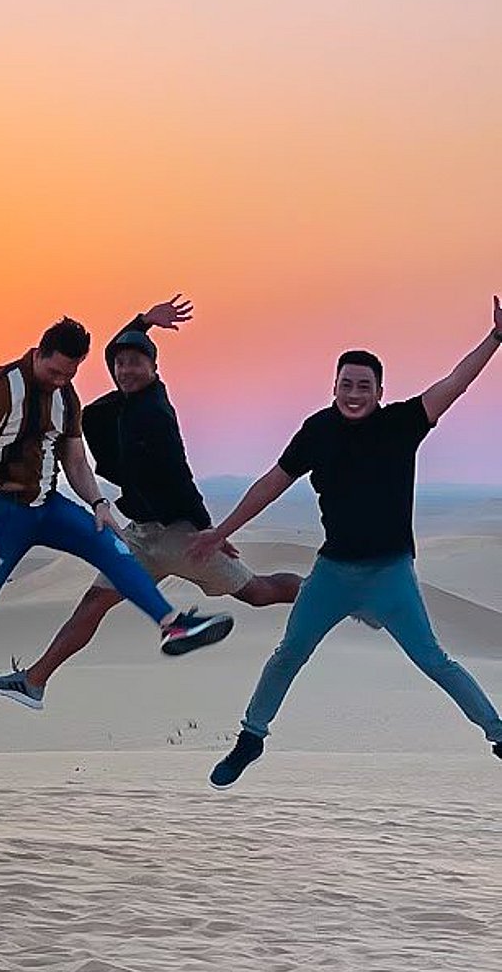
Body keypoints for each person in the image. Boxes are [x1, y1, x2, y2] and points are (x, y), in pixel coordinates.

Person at [206, 300, 502, 787]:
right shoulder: (318, 430)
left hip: (390, 573)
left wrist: (495, 338)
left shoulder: (401, 423)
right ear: (334, 387)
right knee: (288, 653)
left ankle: (498, 734)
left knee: (434, 660)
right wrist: (221, 532)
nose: (354, 394)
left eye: (365, 386)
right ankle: (251, 738)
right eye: (346, 384)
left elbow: (455, 383)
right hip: (334, 574)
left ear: (380, 392)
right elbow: (272, 483)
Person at [0, 298, 301, 708]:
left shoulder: (154, 414)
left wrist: (211, 531)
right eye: (120, 364)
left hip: (180, 536)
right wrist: (143, 321)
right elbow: (113, 350)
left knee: (257, 591)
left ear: (154, 368)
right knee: (94, 602)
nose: (125, 370)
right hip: (141, 534)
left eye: (136, 363)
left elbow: (179, 476)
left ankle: (328, 595)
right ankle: (34, 682)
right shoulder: (127, 399)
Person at [0, 315, 234, 659]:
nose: (61, 380)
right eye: (55, 372)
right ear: (38, 354)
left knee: (113, 546)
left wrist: (98, 503)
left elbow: (75, 461)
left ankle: (172, 625)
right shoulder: (0, 391)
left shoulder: (65, 396)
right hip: (0, 511)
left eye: (69, 374)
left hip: (48, 507)